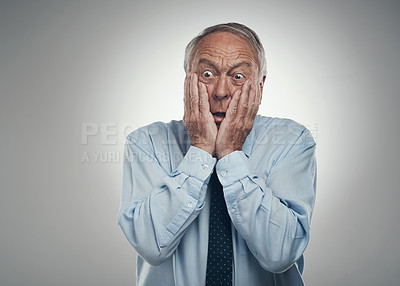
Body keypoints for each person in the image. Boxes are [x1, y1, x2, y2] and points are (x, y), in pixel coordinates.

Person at [117, 22, 317, 286]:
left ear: (260, 85)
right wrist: (200, 148)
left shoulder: (292, 141)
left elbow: (280, 254)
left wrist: (231, 154)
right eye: (208, 74)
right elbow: (151, 245)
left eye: (238, 77)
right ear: (188, 79)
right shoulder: (146, 143)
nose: (221, 92)